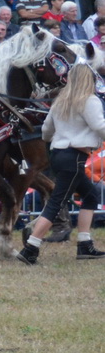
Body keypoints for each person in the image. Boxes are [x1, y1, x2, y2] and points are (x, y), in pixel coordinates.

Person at [16, 72, 105, 264]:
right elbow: (100, 126)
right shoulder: (90, 100)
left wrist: (60, 139)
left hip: (58, 154)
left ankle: (85, 244)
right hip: (74, 157)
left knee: (90, 195)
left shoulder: (61, 101)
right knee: (56, 203)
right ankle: (31, 247)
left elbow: (46, 130)